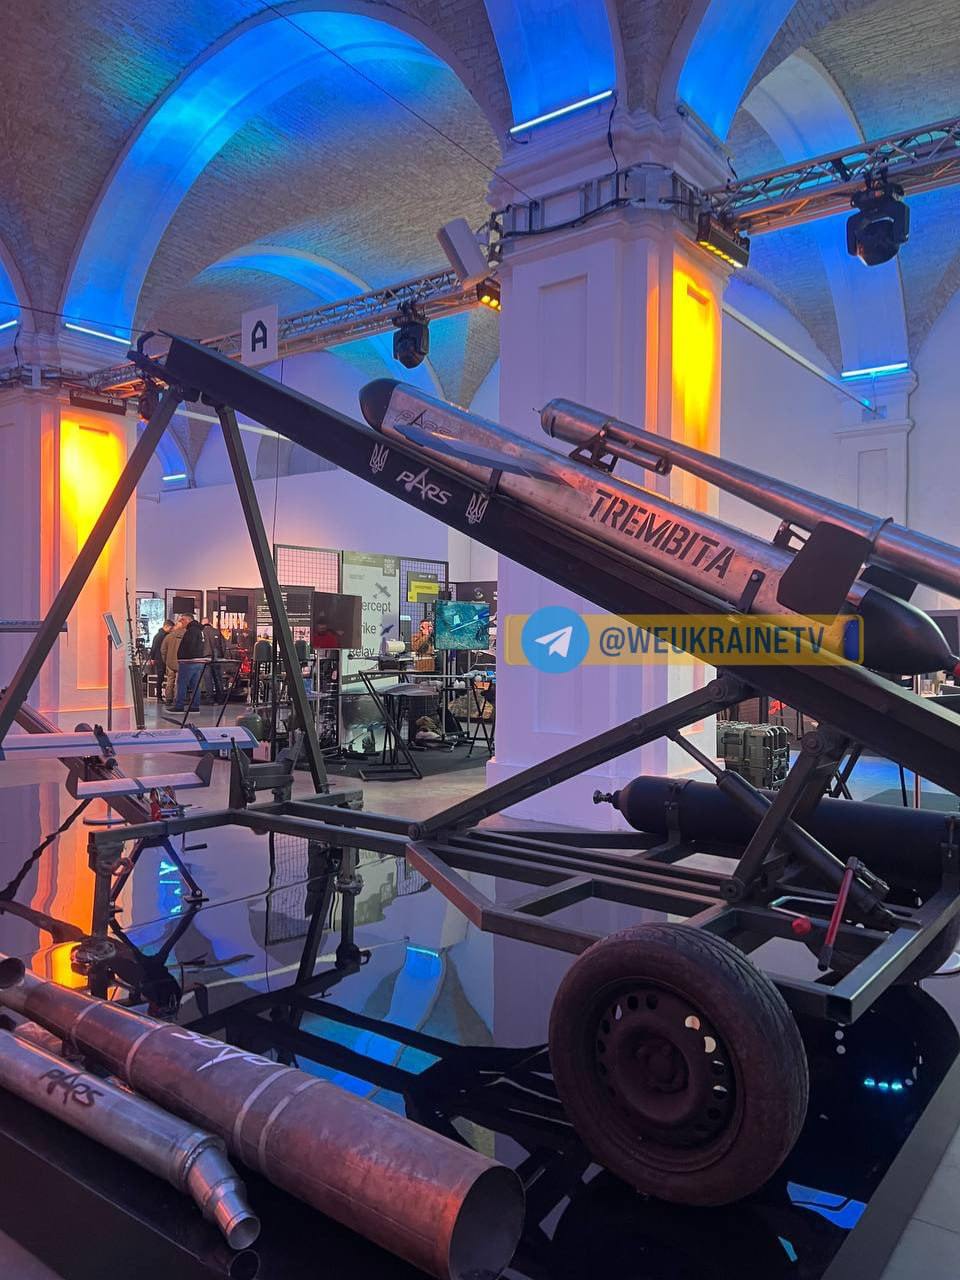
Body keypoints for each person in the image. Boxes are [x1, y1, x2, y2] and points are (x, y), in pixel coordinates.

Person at [173, 613, 206, 712]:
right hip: (198, 661)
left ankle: (179, 706)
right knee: (196, 685)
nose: (181, 622)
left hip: (188, 662)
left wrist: (183, 656)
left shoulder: (191, 631)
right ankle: (195, 706)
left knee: (182, 683)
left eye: (182, 619)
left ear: (188, 620)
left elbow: (189, 646)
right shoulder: (199, 631)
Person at [160, 616, 187, 705]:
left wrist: (166, 660)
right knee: (179, 682)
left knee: (170, 681)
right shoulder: (186, 636)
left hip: (170, 663)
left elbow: (163, 650)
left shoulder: (168, 637)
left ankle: (168, 699)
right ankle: (177, 699)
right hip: (181, 663)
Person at [201, 616, 225, 702]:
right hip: (216, 657)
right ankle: (220, 698)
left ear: (202, 623)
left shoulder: (201, 632)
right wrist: (221, 655)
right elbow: (223, 645)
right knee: (218, 677)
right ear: (210, 623)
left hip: (205, 657)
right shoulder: (216, 631)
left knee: (208, 678)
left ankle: (210, 698)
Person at [149, 619, 173, 702]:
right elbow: (154, 647)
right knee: (160, 677)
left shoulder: (159, 635)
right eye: (170, 628)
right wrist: (152, 658)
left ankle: (159, 696)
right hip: (160, 659)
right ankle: (159, 696)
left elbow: (153, 647)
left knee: (160, 677)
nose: (171, 630)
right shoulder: (161, 636)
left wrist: (153, 658)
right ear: (166, 626)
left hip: (159, 658)